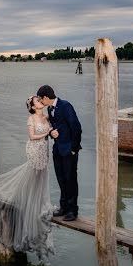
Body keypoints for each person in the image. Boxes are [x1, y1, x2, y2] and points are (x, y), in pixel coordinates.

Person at [0, 95, 55, 261]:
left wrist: (51, 132)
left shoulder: (46, 117)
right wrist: (47, 132)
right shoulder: (31, 119)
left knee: (42, 175)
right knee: (32, 173)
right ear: (32, 106)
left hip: (44, 150)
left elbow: (50, 131)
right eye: (37, 101)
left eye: (39, 100)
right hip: (34, 148)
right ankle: (25, 200)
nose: (39, 102)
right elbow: (32, 137)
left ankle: (38, 202)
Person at [36, 84, 82, 221]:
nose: (40, 102)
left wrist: (74, 149)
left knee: (71, 180)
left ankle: (73, 211)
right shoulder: (50, 109)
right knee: (61, 179)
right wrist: (51, 133)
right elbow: (54, 128)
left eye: (40, 99)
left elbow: (76, 127)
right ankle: (64, 207)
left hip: (69, 150)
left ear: (45, 97)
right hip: (57, 150)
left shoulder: (65, 106)